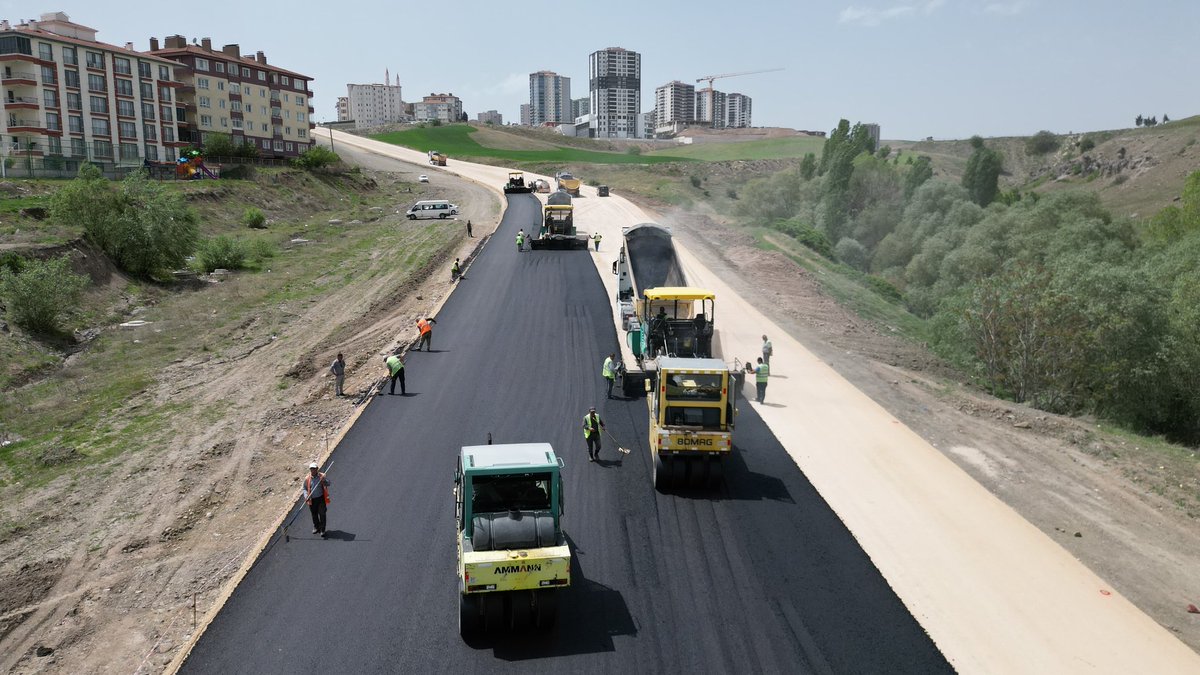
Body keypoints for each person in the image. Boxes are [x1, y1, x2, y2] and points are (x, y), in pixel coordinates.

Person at [303, 461, 331, 537]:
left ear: (317, 469)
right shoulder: (307, 478)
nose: (313, 470)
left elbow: (328, 483)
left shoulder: (322, 476)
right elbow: (305, 488)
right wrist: (306, 496)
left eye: (314, 469)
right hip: (312, 499)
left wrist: (324, 481)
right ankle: (316, 527)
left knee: (322, 514)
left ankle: (322, 529)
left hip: (321, 498)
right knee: (314, 514)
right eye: (311, 469)